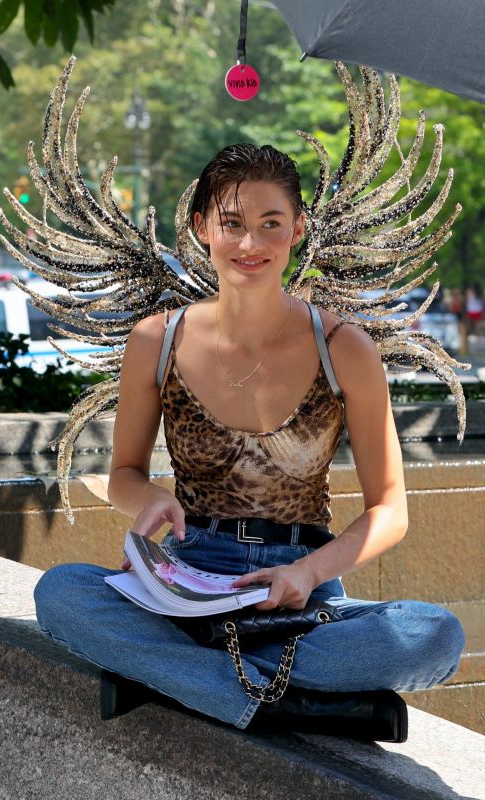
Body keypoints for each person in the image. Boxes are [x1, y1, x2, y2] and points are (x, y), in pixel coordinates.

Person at [34, 144, 465, 743]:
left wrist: (309, 573)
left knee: (438, 634)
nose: (249, 244)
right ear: (202, 226)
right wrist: (148, 498)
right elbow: (124, 473)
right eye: (232, 224)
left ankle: (180, 680)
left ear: (298, 230)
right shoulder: (156, 340)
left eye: (271, 225)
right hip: (191, 578)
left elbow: (389, 510)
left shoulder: (346, 349)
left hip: (301, 596)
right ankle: (285, 702)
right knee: (60, 593)